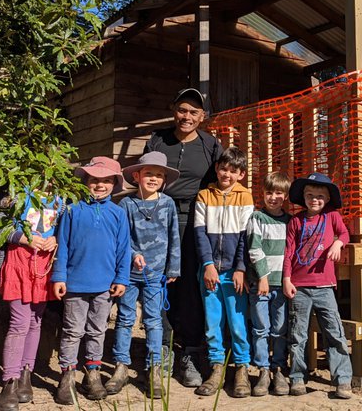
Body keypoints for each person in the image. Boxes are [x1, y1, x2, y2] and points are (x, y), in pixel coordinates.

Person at [144, 87, 221, 387]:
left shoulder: (211, 145)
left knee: (190, 284)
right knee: (160, 283)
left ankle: (189, 351)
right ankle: (162, 350)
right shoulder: (157, 140)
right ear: (173, 109)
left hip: (194, 219)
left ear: (202, 117)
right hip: (160, 216)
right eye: (182, 109)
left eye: (193, 112)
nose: (186, 116)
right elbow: (146, 176)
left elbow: (220, 182)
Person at [51, 157, 131, 406]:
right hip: (76, 282)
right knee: (73, 330)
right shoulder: (73, 209)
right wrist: (60, 276)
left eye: (106, 181)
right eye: (95, 180)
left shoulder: (117, 213)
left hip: (105, 284)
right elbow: (61, 244)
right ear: (86, 181)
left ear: (114, 184)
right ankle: (66, 375)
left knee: (97, 330)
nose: (100, 185)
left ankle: (93, 372)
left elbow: (124, 249)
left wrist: (121, 278)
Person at [106, 151, 182, 399]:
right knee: (125, 319)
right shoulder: (127, 204)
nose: (153, 178)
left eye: (159, 175)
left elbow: (174, 237)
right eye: (149, 173)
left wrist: (173, 267)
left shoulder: (168, 204)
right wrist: (131, 254)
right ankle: (121, 367)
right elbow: (121, 237)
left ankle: (154, 369)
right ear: (137, 176)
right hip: (129, 273)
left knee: (154, 321)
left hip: (156, 274)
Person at [283, 172, 352, 400]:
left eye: (320, 196)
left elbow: (344, 232)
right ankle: (297, 378)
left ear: (327, 198)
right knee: (297, 335)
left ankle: (342, 379)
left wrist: (338, 243)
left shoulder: (332, 217)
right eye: (310, 195)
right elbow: (289, 252)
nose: (314, 199)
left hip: (325, 287)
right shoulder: (296, 221)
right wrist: (286, 279)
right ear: (303, 196)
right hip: (299, 287)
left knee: (335, 333)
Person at [0, 188, 64, 411]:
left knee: (35, 321)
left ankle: (26, 373)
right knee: (19, 324)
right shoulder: (15, 194)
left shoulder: (60, 199)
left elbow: (63, 231)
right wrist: (24, 238)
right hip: (19, 263)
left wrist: (55, 240)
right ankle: (9, 381)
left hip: (44, 267)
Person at [193, 146, 254, 398]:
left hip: (233, 272)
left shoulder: (245, 197)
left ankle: (241, 369)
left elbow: (244, 237)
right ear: (217, 169)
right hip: (209, 272)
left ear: (241, 174)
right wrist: (207, 265)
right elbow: (199, 233)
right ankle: (216, 368)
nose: (226, 174)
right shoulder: (204, 196)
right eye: (223, 168)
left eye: (233, 171)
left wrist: (240, 268)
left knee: (238, 322)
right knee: (212, 321)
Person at [246, 171, 292, 396]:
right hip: (261, 284)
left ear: (285, 196)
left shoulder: (290, 221)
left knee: (280, 329)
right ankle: (263, 369)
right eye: (269, 192)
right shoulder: (257, 218)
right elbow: (254, 249)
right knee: (260, 328)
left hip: (281, 285)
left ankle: (279, 368)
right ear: (262, 194)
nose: (273, 197)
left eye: (278, 193)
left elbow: (291, 253)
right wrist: (262, 276)